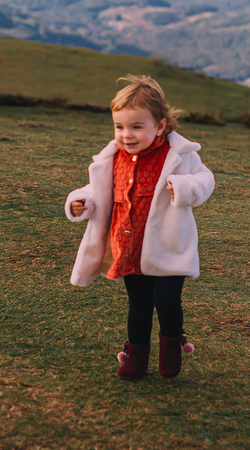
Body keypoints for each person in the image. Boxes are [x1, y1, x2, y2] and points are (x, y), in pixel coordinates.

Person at [65, 76, 215, 380]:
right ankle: (136, 357)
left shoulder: (180, 156)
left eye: (136, 127)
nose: (126, 135)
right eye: (119, 127)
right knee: (139, 303)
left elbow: (205, 179)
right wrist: (82, 201)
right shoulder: (114, 158)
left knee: (166, 299)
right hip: (129, 245)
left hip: (167, 245)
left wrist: (184, 188)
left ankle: (172, 345)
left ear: (159, 126)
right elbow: (101, 191)